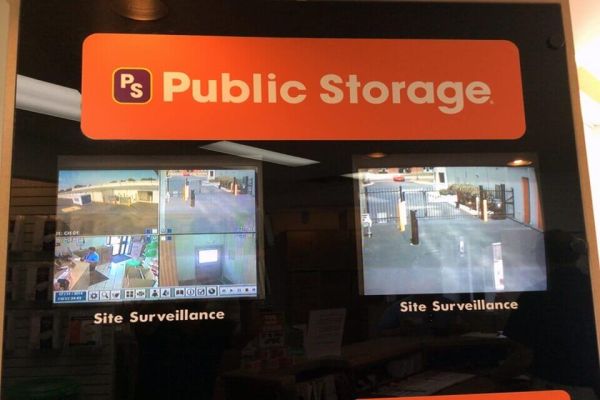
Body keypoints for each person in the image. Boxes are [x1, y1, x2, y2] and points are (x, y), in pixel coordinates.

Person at [500, 230, 599, 399]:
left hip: (555, 388)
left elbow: (523, 356)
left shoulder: (534, 297)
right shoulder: (594, 288)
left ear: (541, 257)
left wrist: (493, 378)